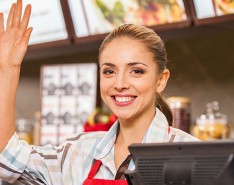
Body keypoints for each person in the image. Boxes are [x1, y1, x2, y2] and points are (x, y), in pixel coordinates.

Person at [0, 0, 199, 184]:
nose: (120, 83)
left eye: (136, 71)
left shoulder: (195, 157)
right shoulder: (78, 151)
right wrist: (8, 68)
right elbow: (9, 159)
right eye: (109, 71)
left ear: (161, 80)